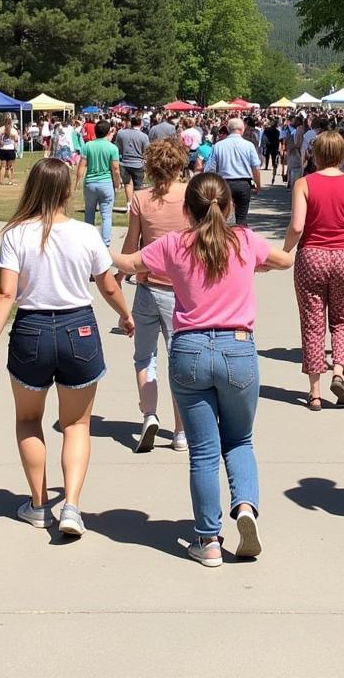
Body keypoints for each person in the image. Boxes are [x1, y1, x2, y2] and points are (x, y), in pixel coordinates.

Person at [111, 173, 294, 567]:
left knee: (204, 452)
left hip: (190, 349)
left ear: (186, 210)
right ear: (227, 207)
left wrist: (95, 247)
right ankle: (245, 509)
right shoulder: (244, 241)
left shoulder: (175, 245)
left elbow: (128, 261)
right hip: (238, 349)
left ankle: (208, 539)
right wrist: (268, 259)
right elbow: (283, 259)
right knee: (240, 441)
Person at [0, 158, 134, 535]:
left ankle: (37, 503)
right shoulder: (85, 234)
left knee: (28, 419)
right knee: (77, 424)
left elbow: (6, 292)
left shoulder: (16, 234)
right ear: (68, 191)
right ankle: (72, 506)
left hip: (31, 330)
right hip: (77, 328)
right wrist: (125, 315)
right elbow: (108, 284)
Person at [283, 130, 344, 409]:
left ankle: (314, 392)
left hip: (312, 255)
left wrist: (284, 252)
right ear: (343, 154)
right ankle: (338, 370)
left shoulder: (304, 184)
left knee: (312, 321)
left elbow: (297, 226)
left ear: (315, 154)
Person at [118, 139, 190, 452]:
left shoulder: (141, 198)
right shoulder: (191, 195)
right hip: (182, 291)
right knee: (180, 360)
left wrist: (119, 276)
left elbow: (131, 243)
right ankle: (181, 431)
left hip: (147, 286)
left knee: (144, 356)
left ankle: (149, 414)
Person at [203, 117, 262, 227]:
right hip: (244, 183)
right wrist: (258, 185)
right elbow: (256, 167)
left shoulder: (219, 145)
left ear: (229, 129)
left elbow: (211, 168)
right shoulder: (249, 145)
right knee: (241, 217)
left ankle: (223, 240)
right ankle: (241, 240)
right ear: (242, 129)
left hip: (224, 183)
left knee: (223, 216)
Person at [77, 119, 121, 247]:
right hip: (106, 183)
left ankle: (89, 242)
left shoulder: (88, 146)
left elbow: (82, 166)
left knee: (89, 212)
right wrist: (117, 183)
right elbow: (115, 169)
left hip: (90, 182)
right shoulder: (112, 148)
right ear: (108, 132)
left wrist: (78, 181)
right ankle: (105, 243)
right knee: (106, 215)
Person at [115, 116, 149, 202]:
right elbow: (146, 151)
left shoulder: (121, 133)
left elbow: (118, 148)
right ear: (140, 124)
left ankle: (129, 204)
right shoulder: (144, 136)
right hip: (138, 163)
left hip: (124, 162)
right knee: (138, 186)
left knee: (127, 184)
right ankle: (137, 204)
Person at [0, 116, 18, 185]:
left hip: (3, 149)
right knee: (10, 167)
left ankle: (0, 181)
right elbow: (16, 140)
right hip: (10, 149)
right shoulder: (14, 130)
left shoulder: (1, 129)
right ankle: (10, 181)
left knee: (2, 166)